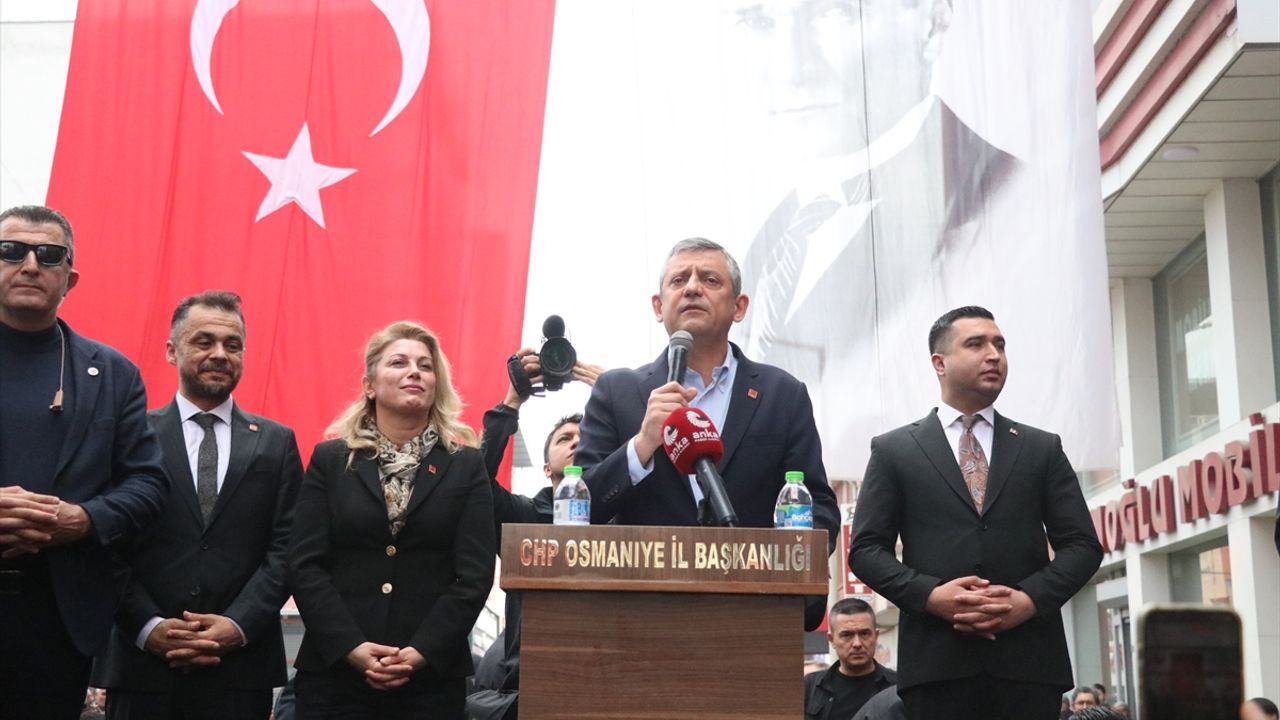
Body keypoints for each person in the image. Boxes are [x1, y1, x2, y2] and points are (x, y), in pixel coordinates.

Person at [848, 306, 1103, 720]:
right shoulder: (895, 450)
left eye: (1000, 345)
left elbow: (1083, 546)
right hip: (937, 668)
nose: (994, 355)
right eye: (976, 344)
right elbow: (865, 550)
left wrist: (1028, 600)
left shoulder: (1041, 448)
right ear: (939, 363)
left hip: (1029, 665)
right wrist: (931, 596)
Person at [574, 237, 839, 628]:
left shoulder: (782, 394)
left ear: (739, 307)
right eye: (679, 280)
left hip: (755, 617)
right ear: (658, 306)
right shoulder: (616, 392)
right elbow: (578, 508)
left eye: (710, 280)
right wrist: (643, 444)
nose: (693, 287)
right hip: (640, 617)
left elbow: (819, 508)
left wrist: (786, 570)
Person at [92, 291, 303, 719]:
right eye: (204, 341)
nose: (220, 354)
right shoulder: (131, 436)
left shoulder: (276, 443)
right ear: (172, 351)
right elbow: (106, 540)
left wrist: (237, 625)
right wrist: (148, 627)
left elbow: (289, 546)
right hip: (141, 665)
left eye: (232, 344)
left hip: (240, 669)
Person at [0, 205, 168, 719]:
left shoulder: (113, 374)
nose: (30, 265)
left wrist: (83, 519)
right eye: (11, 251)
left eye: (49, 255)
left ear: (69, 279)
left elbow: (147, 483)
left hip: (59, 619)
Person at [287, 321, 495, 719]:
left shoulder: (466, 466)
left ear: (436, 384)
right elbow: (304, 564)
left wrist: (421, 651)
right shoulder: (330, 460)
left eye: (425, 366)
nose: (414, 372)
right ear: (370, 385)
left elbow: (474, 574)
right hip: (336, 678)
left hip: (430, 682)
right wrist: (351, 647)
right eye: (399, 363)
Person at [467, 348, 601, 720]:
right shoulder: (524, 517)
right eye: (564, 438)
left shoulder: (623, 514)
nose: (576, 442)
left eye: (586, 437)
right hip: (529, 686)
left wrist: (617, 395)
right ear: (546, 468)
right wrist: (512, 401)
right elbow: (475, 483)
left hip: (606, 677)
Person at [804, 598, 898, 720]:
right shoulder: (811, 687)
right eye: (847, 635)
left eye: (864, 634)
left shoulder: (897, 686)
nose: (857, 643)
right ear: (832, 640)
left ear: (876, 636)